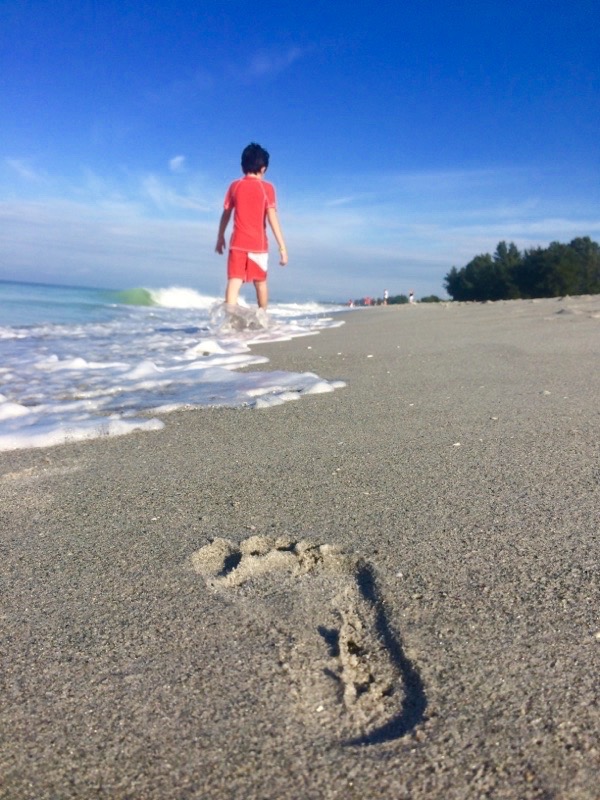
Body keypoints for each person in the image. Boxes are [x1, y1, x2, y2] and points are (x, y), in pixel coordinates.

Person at [215, 143, 288, 310]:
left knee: (234, 280)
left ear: (242, 166)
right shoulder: (267, 188)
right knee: (260, 282)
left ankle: (229, 319)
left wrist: (220, 237)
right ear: (263, 169)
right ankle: (263, 316)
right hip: (258, 245)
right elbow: (272, 218)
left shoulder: (235, 186)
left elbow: (226, 214)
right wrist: (282, 247)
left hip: (237, 243)